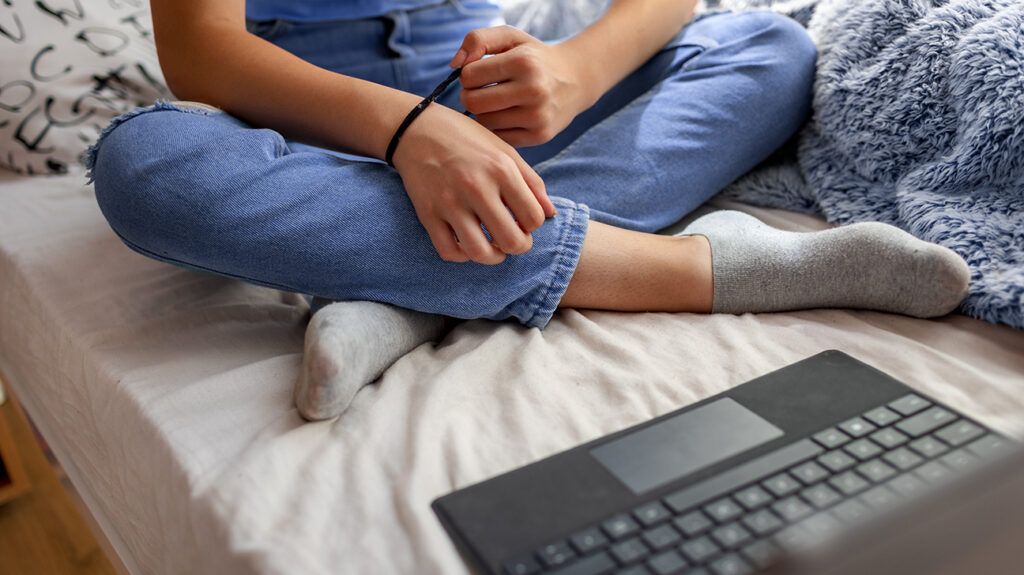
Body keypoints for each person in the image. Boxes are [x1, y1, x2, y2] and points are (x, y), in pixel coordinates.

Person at [86, 0, 970, 420]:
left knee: (766, 46)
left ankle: (399, 294)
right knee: (143, 164)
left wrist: (577, 69)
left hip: (502, 133)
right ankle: (706, 267)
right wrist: (410, 132)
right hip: (307, 141)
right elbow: (199, 51)